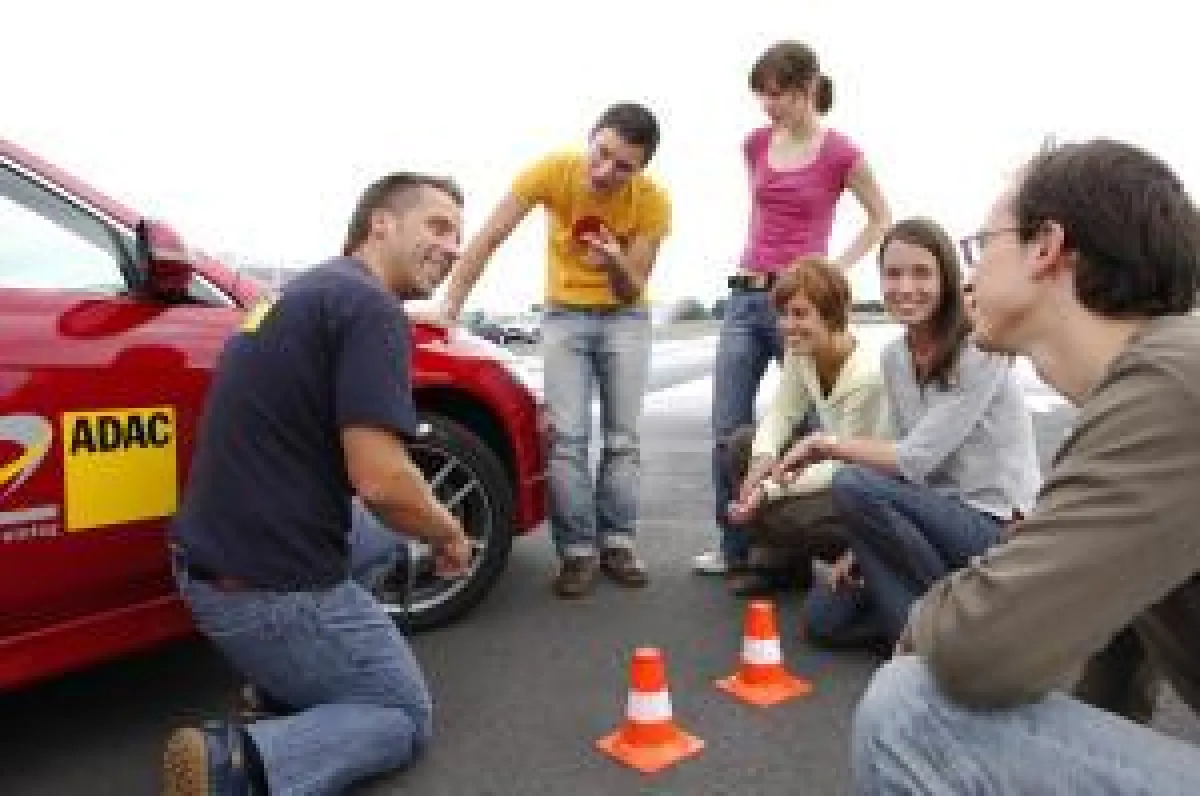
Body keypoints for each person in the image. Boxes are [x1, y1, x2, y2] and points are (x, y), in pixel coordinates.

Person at [851, 139, 1200, 794]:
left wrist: (928, 627)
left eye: (982, 246)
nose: (969, 276)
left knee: (911, 712)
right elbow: (1119, 658)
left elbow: (982, 651)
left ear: (1047, 246)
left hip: (977, 523)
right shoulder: (1152, 387)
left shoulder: (1173, 385)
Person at [162, 173, 473, 796]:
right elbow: (384, 482)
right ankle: (235, 763)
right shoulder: (371, 307)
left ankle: (284, 685)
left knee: (381, 537)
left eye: (459, 237)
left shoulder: (304, 292)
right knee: (402, 717)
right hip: (266, 589)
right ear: (379, 224)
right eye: (438, 226)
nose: (453, 247)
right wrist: (450, 533)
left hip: (207, 558)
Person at [775, 218, 1040, 650]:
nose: (905, 287)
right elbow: (904, 474)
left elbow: (914, 457)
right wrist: (860, 549)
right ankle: (948, 627)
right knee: (825, 618)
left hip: (991, 526)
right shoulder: (895, 358)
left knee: (852, 482)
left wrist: (825, 445)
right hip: (930, 522)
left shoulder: (979, 348)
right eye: (893, 274)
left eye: (921, 273)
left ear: (947, 280)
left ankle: (943, 637)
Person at [440, 103, 671, 598]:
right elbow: (489, 236)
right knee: (566, 439)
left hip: (625, 318)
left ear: (641, 169)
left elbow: (633, 287)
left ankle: (619, 542)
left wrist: (612, 261)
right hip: (564, 315)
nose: (606, 171)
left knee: (622, 439)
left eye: (623, 166)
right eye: (602, 153)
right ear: (590, 138)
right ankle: (578, 553)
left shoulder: (652, 202)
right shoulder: (552, 172)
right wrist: (451, 305)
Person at [695, 40, 890, 578]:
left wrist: (834, 269)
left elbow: (880, 218)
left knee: (806, 424)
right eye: (762, 95)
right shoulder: (756, 143)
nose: (767, 105)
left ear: (807, 90)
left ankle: (796, 546)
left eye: (777, 94)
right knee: (727, 426)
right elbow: (763, 218)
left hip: (801, 300)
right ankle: (735, 547)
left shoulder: (841, 153)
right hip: (746, 297)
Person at [720, 256, 891, 597]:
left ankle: (866, 557)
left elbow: (846, 464)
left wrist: (766, 490)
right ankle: (782, 566)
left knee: (782, 513)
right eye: (783, 313)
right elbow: (783, 412)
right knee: (742, 444)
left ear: (831, 314)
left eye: (799, 314)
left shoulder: (868, 375)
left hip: (869, 490)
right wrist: (761, 461)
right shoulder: (802, 351)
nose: (786, 325)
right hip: (834, 466)